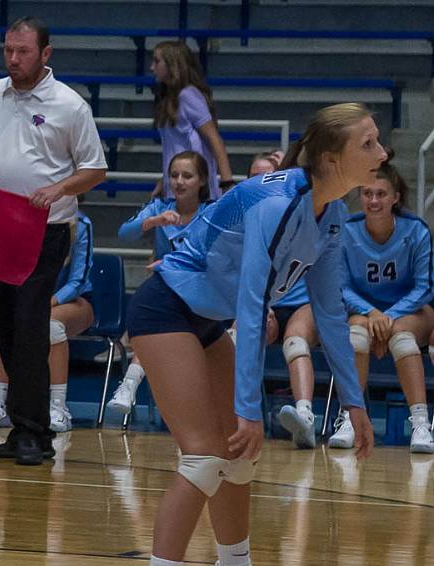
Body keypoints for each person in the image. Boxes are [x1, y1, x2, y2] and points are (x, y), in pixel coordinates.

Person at [125, 103, 379, 566]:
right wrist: (248, 409)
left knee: (238, 458)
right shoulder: (277, 204)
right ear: (331, 159)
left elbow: (329, 311)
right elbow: (251, 304)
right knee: (204, 459)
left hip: (204, 321)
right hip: (165, 310)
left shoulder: (332, 213)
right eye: (368, 144)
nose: (381, 152)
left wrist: (354, 402)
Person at [0, 17, 108, 466]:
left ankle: (37, 432)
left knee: (32, 323)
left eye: (23, 52)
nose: (13, 59)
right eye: (8, 51)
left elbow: (95, 168)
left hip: (46, 228)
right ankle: (21, 425)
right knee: (9, 326)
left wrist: (59, 189)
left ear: (46, 54)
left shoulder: (70, 106)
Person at [321, 161, 433, 454]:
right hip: (363, 311)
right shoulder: (347, 230)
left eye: (381, 194)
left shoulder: (416, 230)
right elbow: (341, 287)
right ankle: (349, 418)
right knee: (355, 335)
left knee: (402, 338)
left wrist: (389, 317)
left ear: (395, 197)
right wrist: (373, 314)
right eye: (367, 193)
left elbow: (425, 287)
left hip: (411, 312)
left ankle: (421, 424)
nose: (373, 201)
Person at [106, 151, 213, 418]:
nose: (179, 181)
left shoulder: (211, 212)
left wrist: (169, 265)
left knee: (159, 312)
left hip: (202, 294)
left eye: (187, 176)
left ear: (202, 181)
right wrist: (155, 221)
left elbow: (212, 258)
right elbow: (124, 233)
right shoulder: (159, 207)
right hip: (167, 295)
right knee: (156, 312)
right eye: (174, 175)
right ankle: (128, 387)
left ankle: (132, 382)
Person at [0, 210, 94, 433]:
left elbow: (79, 279)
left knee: (51, 326)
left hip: (74, 301)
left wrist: (50, 300)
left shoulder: (81, 222)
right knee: (5, 322)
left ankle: (57, 407)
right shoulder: (23, 217)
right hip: (31, 296)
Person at [151, 41, 232, 200]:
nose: (152, 67)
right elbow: (175, 147)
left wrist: (227, 182)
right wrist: (164, 181)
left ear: (173, 64)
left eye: (157, 61)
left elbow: (214, 139)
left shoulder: (188, 95)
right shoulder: (169, 100)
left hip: (195, 190)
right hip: (176, 187)